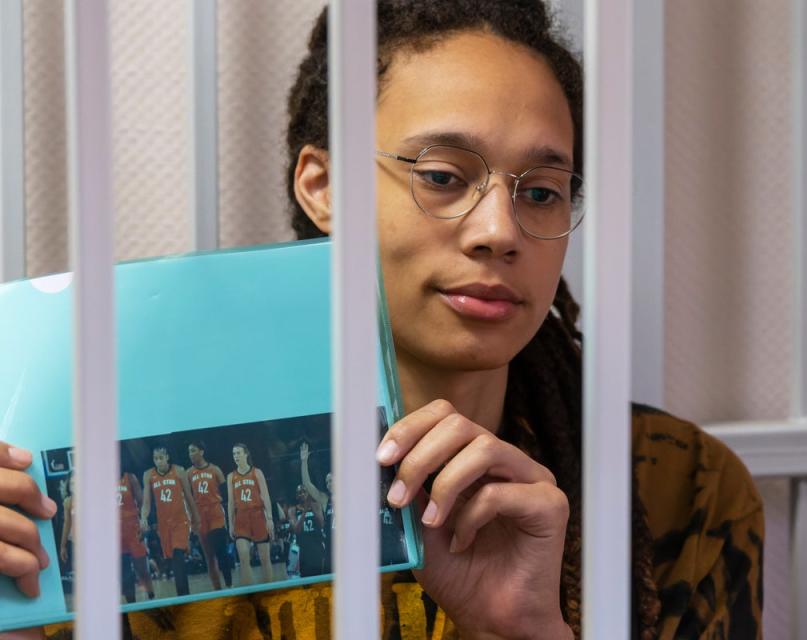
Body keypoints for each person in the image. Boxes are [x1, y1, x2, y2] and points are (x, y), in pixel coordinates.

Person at [0, 2, 762, 638]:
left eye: (540, 191)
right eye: (441, 176)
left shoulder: (678, 490)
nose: (499, 229)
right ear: (321, 185)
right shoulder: (104, 480)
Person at [140, 445, 201, 597]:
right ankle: (183, 593)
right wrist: (143, 517)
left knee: (177, 552)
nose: (158, 461)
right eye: (156, 458)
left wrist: (196, 519)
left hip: (181, 520)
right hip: (164, 524)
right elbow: (147, 502)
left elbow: (189, 496)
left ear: (167, 457)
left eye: (161, 458)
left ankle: (183, 595)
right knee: (173, 558)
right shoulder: (149, 475)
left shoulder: (179, 471)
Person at [184, 441, 233, 590]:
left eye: (193, 450)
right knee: (209, 556)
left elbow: (226, 493)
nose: (190, 454)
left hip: (215, 512)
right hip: (199, 515)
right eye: (189, 451)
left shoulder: (215, 470)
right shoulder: (188, 473)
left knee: (221, 551)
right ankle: (217, 590)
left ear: (202, 451)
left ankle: (229, 586)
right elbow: (186, 498)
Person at [226, 443, 274, 586]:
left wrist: (270, 518)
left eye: (238, 453)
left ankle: (270, 591)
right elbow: (230, 502)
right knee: (243, 557)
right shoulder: (231, 477)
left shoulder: (256, 473)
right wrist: (230, 523)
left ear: (246, 454)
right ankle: (251, 593)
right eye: (234, 454)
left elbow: (265, 496)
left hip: (258, 515)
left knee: (265, 558)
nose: (236, 456)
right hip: (241, 518)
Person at [289, 442, 329, 577]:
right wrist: (304, 461)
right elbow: (306, 483)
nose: (329, 483)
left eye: (332, 480)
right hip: (321, 545)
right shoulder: (323, 499)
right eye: (327, 481)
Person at [117, 471, 155, 602]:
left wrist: (143, 520)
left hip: (133, 528)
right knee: (125, 573)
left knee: (142, 569)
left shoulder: (130, 477)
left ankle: (151, 598)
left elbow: (141, 501)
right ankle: (131, 605)